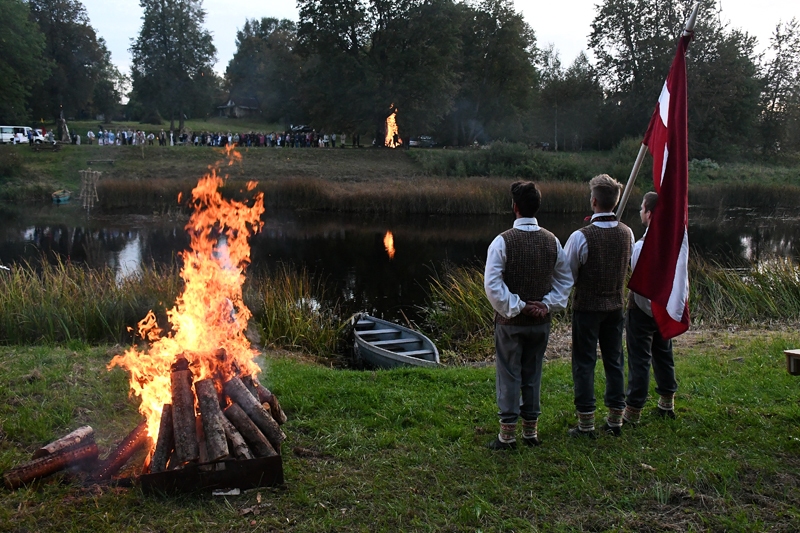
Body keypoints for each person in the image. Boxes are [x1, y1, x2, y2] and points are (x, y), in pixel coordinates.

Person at [484, 181, 573, 450]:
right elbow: (565, 280)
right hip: (540, 323)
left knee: (509, 373)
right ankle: (530, 433)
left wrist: (519, 306)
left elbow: (492, 285)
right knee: (533, 372)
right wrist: (546, 305)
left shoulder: (502, 241)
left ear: (515, 208)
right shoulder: (552, 241)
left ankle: (507, 436)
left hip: (511, 323)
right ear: (537, 207)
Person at [563, 174, 634, 438]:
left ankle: (585, 424)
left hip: (588, 309)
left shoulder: (581, 237)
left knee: (584, 362)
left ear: (594, 201)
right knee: (614, 361)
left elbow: (567, 276)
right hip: (615, 307)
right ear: (614, 202)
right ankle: (615, 420)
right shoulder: (627, 233)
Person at [623, 192, 678, 424]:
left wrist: (646, 308)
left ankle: (634, 410)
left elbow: (639, 281)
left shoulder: (640, 247)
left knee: (640, 359)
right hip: (665, 309)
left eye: (642, 208)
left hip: (643, 310)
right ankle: (667, 401)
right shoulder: (675, 242)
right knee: (664, 354)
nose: (640, 212)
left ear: (649, 213)